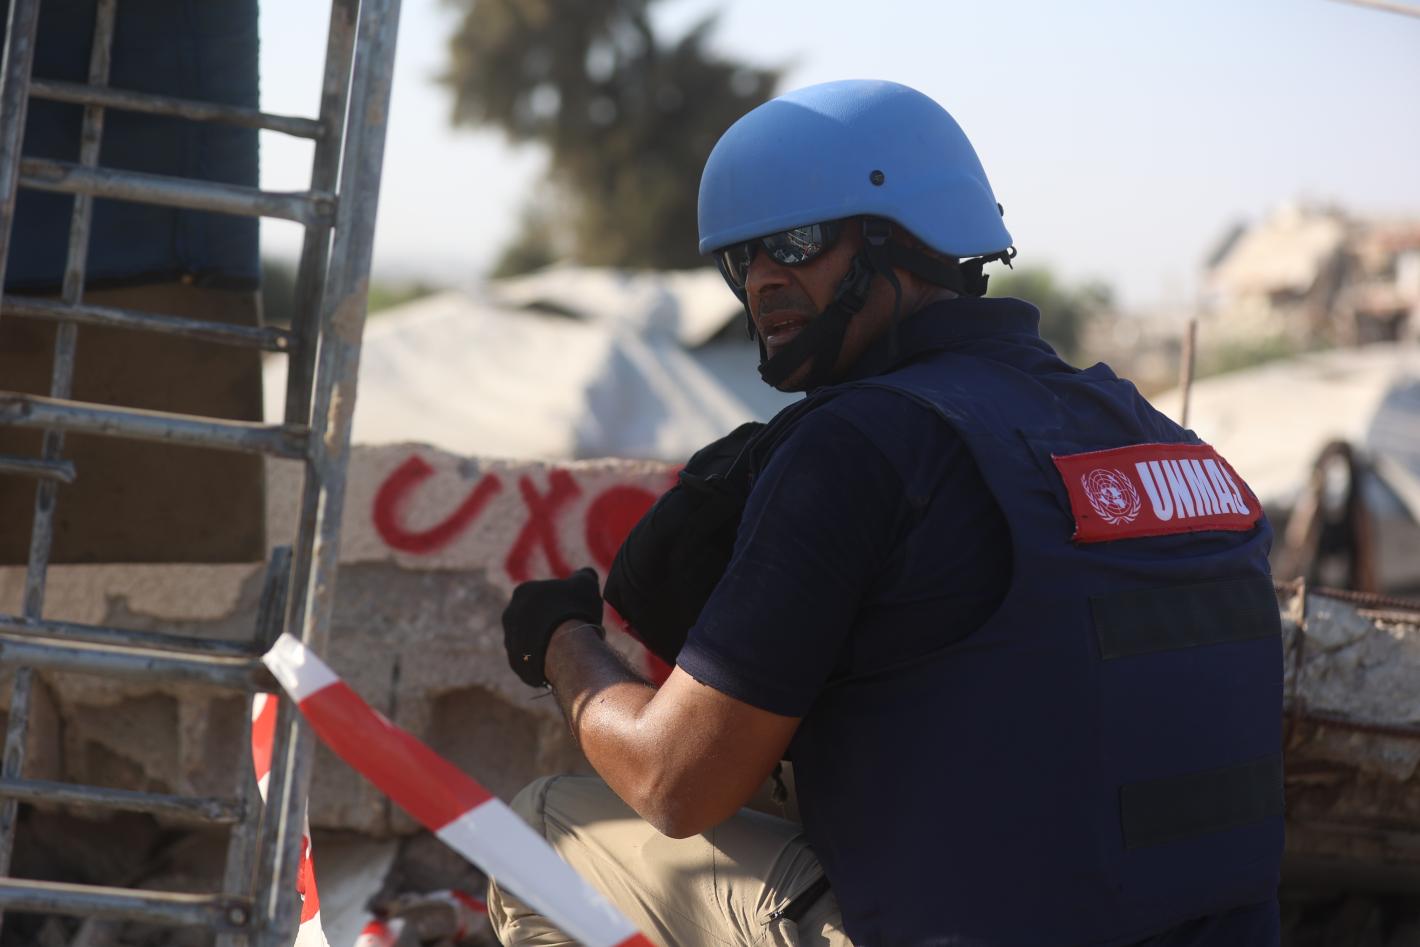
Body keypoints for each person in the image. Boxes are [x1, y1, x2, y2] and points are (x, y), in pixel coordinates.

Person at [495, 79, 1284, 947]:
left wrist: (564, 644)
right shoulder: (1160, 437)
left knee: (544, 821)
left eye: (794, 242)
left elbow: (674, 780)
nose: (762, 281)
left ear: (903, 243)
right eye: (741, 258)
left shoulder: (862, 443)